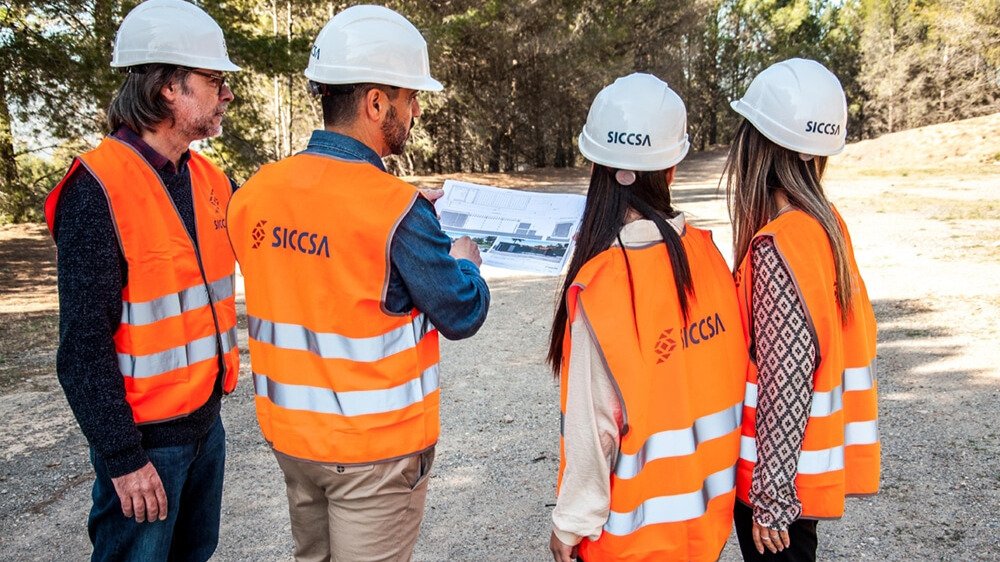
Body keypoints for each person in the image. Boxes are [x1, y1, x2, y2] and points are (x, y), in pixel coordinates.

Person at [226, 5, 489, 562]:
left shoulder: (255, 193)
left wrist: (413, 226)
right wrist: (464, 258)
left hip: (293, 442)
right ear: (376, 102)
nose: (415, 111)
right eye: (410, 98)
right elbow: (461, 310)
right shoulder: (396, 210)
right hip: (374, 454)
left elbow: (318, 265)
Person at [42, 0, 241, 560]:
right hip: (146, 447)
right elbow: (82, 346)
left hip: (205, 427)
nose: (225, 94)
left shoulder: (207, 179)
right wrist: (123, 459)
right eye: (214, 80)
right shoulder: (98, 187)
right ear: (166, 89)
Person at [547, 73, 748, 562]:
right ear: (672, 168)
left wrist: (570, 525)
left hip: (629, 543)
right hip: (705, 530)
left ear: (596, 166)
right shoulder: (711, 259)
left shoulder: (603, 285)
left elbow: (595, 430)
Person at [724, 58, 880, 561]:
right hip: (802, 469)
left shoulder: (779, 244)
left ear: (759, 145)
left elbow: (786, 377)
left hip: (777, 483)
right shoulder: (824, 224)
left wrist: (770, 497)